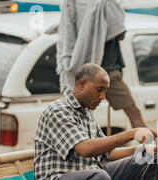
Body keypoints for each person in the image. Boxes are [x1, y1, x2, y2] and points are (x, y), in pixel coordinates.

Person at [57, 0, 146, 129]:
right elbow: (120, 34)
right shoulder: (105, 3)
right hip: (108, 72)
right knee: (134, 113)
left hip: (90, 71)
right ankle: (148, 148)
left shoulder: (76, 5)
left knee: (81, 117)